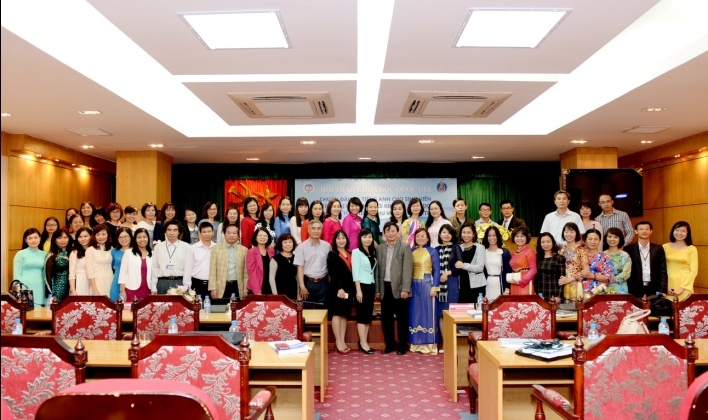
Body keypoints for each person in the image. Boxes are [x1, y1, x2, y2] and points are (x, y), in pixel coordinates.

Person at [376, 221, 413, 355]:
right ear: (384, 234)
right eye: (388, 231)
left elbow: (407, 269)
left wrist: (405, 289)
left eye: (393, 231)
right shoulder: (380, 248)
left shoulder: (405, 247)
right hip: (385, 288)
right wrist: (378, 289)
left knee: (402, 319)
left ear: (398, 233)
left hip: (400, 289)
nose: (391, 233)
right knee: (386, 319)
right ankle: (390, 344)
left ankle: (402, 345)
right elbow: (377, 271)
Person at [409, 228, 440, 354]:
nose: (420, 238)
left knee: (428, 314)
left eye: (423, 236)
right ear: (415, 238)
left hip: (428, 284)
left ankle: (429, 345)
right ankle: (416, 344)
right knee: (415, 313)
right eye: (418, 236)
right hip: (414, 285)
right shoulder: (412, 251)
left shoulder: (432, 251)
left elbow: (437, 270)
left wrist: (435, 287)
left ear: (427, 238)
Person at [327, 230, 355, 354]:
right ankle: (338, 341)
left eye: (343, 238)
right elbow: (332, 273)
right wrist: (339, 288)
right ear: (335, 241)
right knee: (337, 314)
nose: (341, 240)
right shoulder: (332, 254)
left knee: (344, 315)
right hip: (337, 289)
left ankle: (342, 340)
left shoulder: (350, 253)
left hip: (349, 289)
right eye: (338, 238)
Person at [624, 221, 668, 298]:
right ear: (636, 231)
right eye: (641, 229)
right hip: (635, 287)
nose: (644, 231)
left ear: (651, 231)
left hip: (654, 286)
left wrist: (663, 290)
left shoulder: (658, 249)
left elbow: (663, 270)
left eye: (647, 229)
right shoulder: (629, 249)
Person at [294, 219, 331, 309]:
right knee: (307, 311)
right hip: (307, 283)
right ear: (308, 230)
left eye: (318, 228)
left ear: (321, 230)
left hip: (323, 283)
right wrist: (302, 286)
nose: (316, 231)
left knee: (323, 311)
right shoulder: (301, 247)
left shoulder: (327, 246)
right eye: (313, 228)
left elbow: (330, 267)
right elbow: (300, 268)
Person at [435, 224, 462, 348]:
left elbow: (459, 267)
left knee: (449, 313)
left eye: (449, 233)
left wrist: (447, 273)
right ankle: (445, 344)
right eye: (444, 232)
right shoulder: (436, 249)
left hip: (451, 282)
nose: (446, 235)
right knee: (440, 314)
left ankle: (452, 344)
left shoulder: (456, 247)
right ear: (440, 234)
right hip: (438, 284)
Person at [352, 229, 377, 354]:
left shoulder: (372, 252)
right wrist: (358, 290)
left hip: (371, 285)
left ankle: (364, 341)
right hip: (361, 286)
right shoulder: (356, 252)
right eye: (365, 237)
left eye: (370, 237)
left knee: (367, 316)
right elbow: (355, 272)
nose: (367, 239)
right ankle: (362, 342)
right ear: (360, 238)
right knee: (362, 316)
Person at [209, 224, 248, 299]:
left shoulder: (244, 250)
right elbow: (212, 270)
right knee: (221, 306)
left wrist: (245, 289)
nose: (231, 235)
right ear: (224, 234)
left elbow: (246, 273)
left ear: (238, 235)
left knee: (237, 306)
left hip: (238, 285)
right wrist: (213, 288)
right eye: (229, 233)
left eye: (234, 233)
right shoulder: (216, 249)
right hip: (221, 286)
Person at [663, 221, 698, 301]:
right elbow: (659, 268)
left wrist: (682, 288)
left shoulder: (692, 249)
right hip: (668, 286)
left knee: (684, 307)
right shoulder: (665, 247)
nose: (679, 233)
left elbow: (694, 271)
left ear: (687, 233)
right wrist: (665, 285)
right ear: (673, 231)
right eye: (677, 230)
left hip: (685, 286)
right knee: (667, 307)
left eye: (683, 231)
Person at [151, 220, 189, 294]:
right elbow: (155, 267)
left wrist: (187, 287)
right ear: (165, 231)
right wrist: (153, 287)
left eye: (175, 230)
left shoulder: (186, 247)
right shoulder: (158, 247)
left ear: (179, 232)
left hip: (180, 283)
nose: (172, 233)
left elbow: (188, 268)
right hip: (162, 283)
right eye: (169, 230)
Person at [13, 228, 48, 306]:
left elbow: (45, 274)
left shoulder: (44, 254)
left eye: (36, 237)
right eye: (30, 238)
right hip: (25, 286)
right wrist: (18, 289)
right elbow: (17, 273)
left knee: (40, 309)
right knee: (27, 309)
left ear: (40, 238)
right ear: (26, 240)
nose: (33, 240)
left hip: (40, 286)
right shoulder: (20, 254)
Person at [118, 227, 153, 301]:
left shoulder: (153, 254)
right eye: (139, 237)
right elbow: (123, 272)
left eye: (144, 237)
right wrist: (122, 290)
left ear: (148, 238)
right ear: (135, 239)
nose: (142, 239)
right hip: (131, 289)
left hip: (148, 290)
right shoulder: (128, 253)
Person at [454, 222, 486, 303]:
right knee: (463, 309)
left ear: (473, 234)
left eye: (469, 232)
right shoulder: (458, 248)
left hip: (477, 285)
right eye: (464, 232)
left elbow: (480, 267)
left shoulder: (480, 247)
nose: (466, 235)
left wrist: (464, 265)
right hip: (462, 285)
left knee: (477, 309)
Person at [578, 228, 614, 297]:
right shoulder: (579, 255)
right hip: (580, 293)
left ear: (600, 240)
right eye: (590, 239)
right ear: (585, 240)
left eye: (596, 239)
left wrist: (592, 276)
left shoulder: (604, 257)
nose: (593, 242)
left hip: (599, 293)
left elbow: (609, 277)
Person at [183, 221, 215, 298]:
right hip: (197, 284)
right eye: (204, 232)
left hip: (213, 286)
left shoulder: (217, 248)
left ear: (213, 233)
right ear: (199, 233)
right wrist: (187, 288)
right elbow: (188, 268)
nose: (207, 234)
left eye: (209, 231)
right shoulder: (192, 248)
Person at [559, 222, 588, 300]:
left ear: (576, 233)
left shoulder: (581, 250)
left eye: (572, 232)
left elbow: (585, 271)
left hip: (575, 284)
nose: (569, 234)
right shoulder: (561, 250)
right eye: (566, 231)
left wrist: (568, 280)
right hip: (562, 283)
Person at [534, 233, 567, 300]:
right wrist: (535, 292)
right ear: (540, 244)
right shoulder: (537, 257)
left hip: (553, 293)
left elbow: (562, 279)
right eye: (543, 242)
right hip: (540, 293)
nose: (546, 244)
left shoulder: (559, 258)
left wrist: (558, 296)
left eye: (548, 241)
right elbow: (536, 278)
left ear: (552, 242)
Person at [482, 225, 511, 300]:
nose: (492, 238)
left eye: (494, 235)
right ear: (486, 237)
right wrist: (482, 293)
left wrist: (507, 289)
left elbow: (508, 271)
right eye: (489, 235)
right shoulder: (483, 252)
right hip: (487, 284)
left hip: (500, 284)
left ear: (498, 236)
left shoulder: (504, 252)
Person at [507, 226, 537, 295]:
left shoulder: (529, 252)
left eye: (522, 236)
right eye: (517, 236)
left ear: (527, 237)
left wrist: (523, 282)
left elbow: (533, 270)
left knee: (524, 301)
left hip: (525, 283)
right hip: (514, 282)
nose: (519, 238)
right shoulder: (513, 253)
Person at [85, 224, 114, 297]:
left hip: (110, 280)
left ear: (108, 235)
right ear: (94, 236)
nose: (101, 237)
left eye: (103, 234)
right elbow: (89, 271)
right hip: (97, 282)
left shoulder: (111, 249)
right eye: (98, 234)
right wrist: (94, 289)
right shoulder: (90, 250)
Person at [45, 229, 72, 303]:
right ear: (54, 240)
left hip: (72, 288)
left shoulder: (73, 252)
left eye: (65, 237)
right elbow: (47, 277)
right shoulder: (51, 255)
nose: (63, 240)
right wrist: (50, 294)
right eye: (59, 238)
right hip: (58, 289)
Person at [246, 227, 276, 294]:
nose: (262, 237)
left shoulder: (271, 251)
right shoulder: (251, 252)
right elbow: (252, 273)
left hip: (269, 286)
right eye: (260, 235)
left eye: (265, 235)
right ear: (255, 238)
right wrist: (257, 292)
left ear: (268, 238)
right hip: (257, 287)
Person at [269, 233, 298, 300]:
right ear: (280, 244)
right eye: (285, 242)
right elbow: (271, 278)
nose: (288, 244)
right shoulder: (275, 259)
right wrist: (275, 294)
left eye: (290, 242)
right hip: (279, 294)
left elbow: (297, 277)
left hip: (293, 293)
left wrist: (298, 293)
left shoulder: (296, 258)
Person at [603, 227, 631, 294]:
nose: (612, 239)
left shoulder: (624, 255)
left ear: (620, 239)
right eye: (610, 236)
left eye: (616, 237)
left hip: (620, 289)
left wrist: (609, 280)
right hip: (603, 288)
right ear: (606, 238)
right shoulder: (601, 255)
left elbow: (626, 274)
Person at [110, 227, 133, 302]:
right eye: (120, 237)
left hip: (132, 281)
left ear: (131, 236)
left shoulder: (136, 251)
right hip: (117, 281)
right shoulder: (114, 251)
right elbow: (111, 267)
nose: (123, 239)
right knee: (115, 304)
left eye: (125, 236)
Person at [69, 227, 91, 296]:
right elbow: (71, 273)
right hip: (80, 282)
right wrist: (72, 289)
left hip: (92, 282)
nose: (83, 239)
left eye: (85, 236)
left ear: (91, 236)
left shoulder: (94, 250)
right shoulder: (74, 252)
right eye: (80, 237)